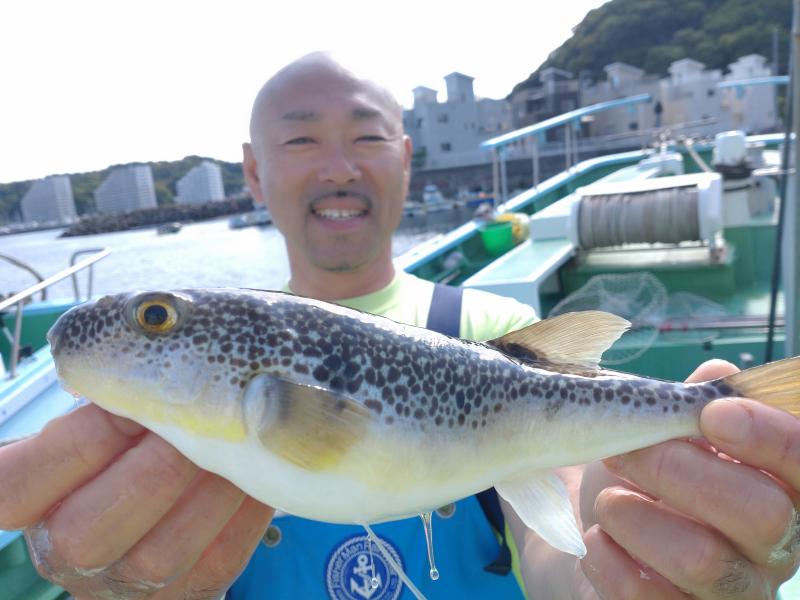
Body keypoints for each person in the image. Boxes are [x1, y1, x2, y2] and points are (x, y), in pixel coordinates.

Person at [0, 52, 798, 600]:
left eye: (368, 137)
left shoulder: (492, 323)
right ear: (253, 170)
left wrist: (608, 569)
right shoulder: (156, 420)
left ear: (406, 158)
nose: (339, 167)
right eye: (303, 138)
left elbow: (556, 531)